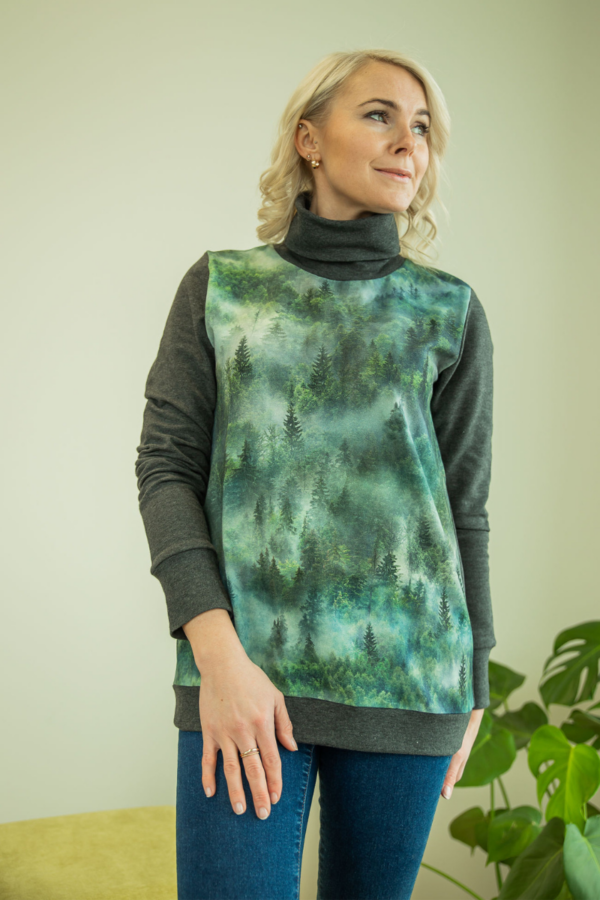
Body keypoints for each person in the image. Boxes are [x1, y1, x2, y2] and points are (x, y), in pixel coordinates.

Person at [135, 47, 496, 900]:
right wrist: (216, 656)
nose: (408, 142)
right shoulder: (221, 289)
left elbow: (464, 510)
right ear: (309, 139)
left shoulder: (449, 310)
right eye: (379, 115)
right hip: (242, 676)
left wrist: (474, 678)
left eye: (422, 128)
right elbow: (166, 471)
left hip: (413, 682)